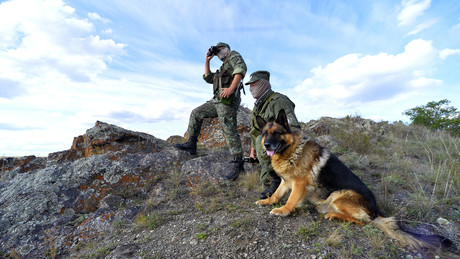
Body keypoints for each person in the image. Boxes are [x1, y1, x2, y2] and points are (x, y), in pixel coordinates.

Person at [174, 42, 247, 180]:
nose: (218, 53)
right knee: (197, 113)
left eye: (220, 49)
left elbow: (241, 69)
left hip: (228, 101)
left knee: (229, 129)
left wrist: (231, 89)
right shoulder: (224, 66)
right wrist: (207, 60)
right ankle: (192, 144)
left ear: (226, 49)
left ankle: (238, 164)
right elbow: (208, 78)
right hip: (217, 101)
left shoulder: (233, 56)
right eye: (216, 51)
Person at [246, 71, 301, 199]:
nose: (250, 88)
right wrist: (252, 152)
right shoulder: (258, 105)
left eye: (253, 84)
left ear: (263, 84)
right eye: (249, 85)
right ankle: (276, 180)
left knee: (265, 140)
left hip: (283, 148)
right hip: (271, 150)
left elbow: (293, 127)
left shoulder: (279, 101)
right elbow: (255, 132)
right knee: (264, 179)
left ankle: (279, 182)